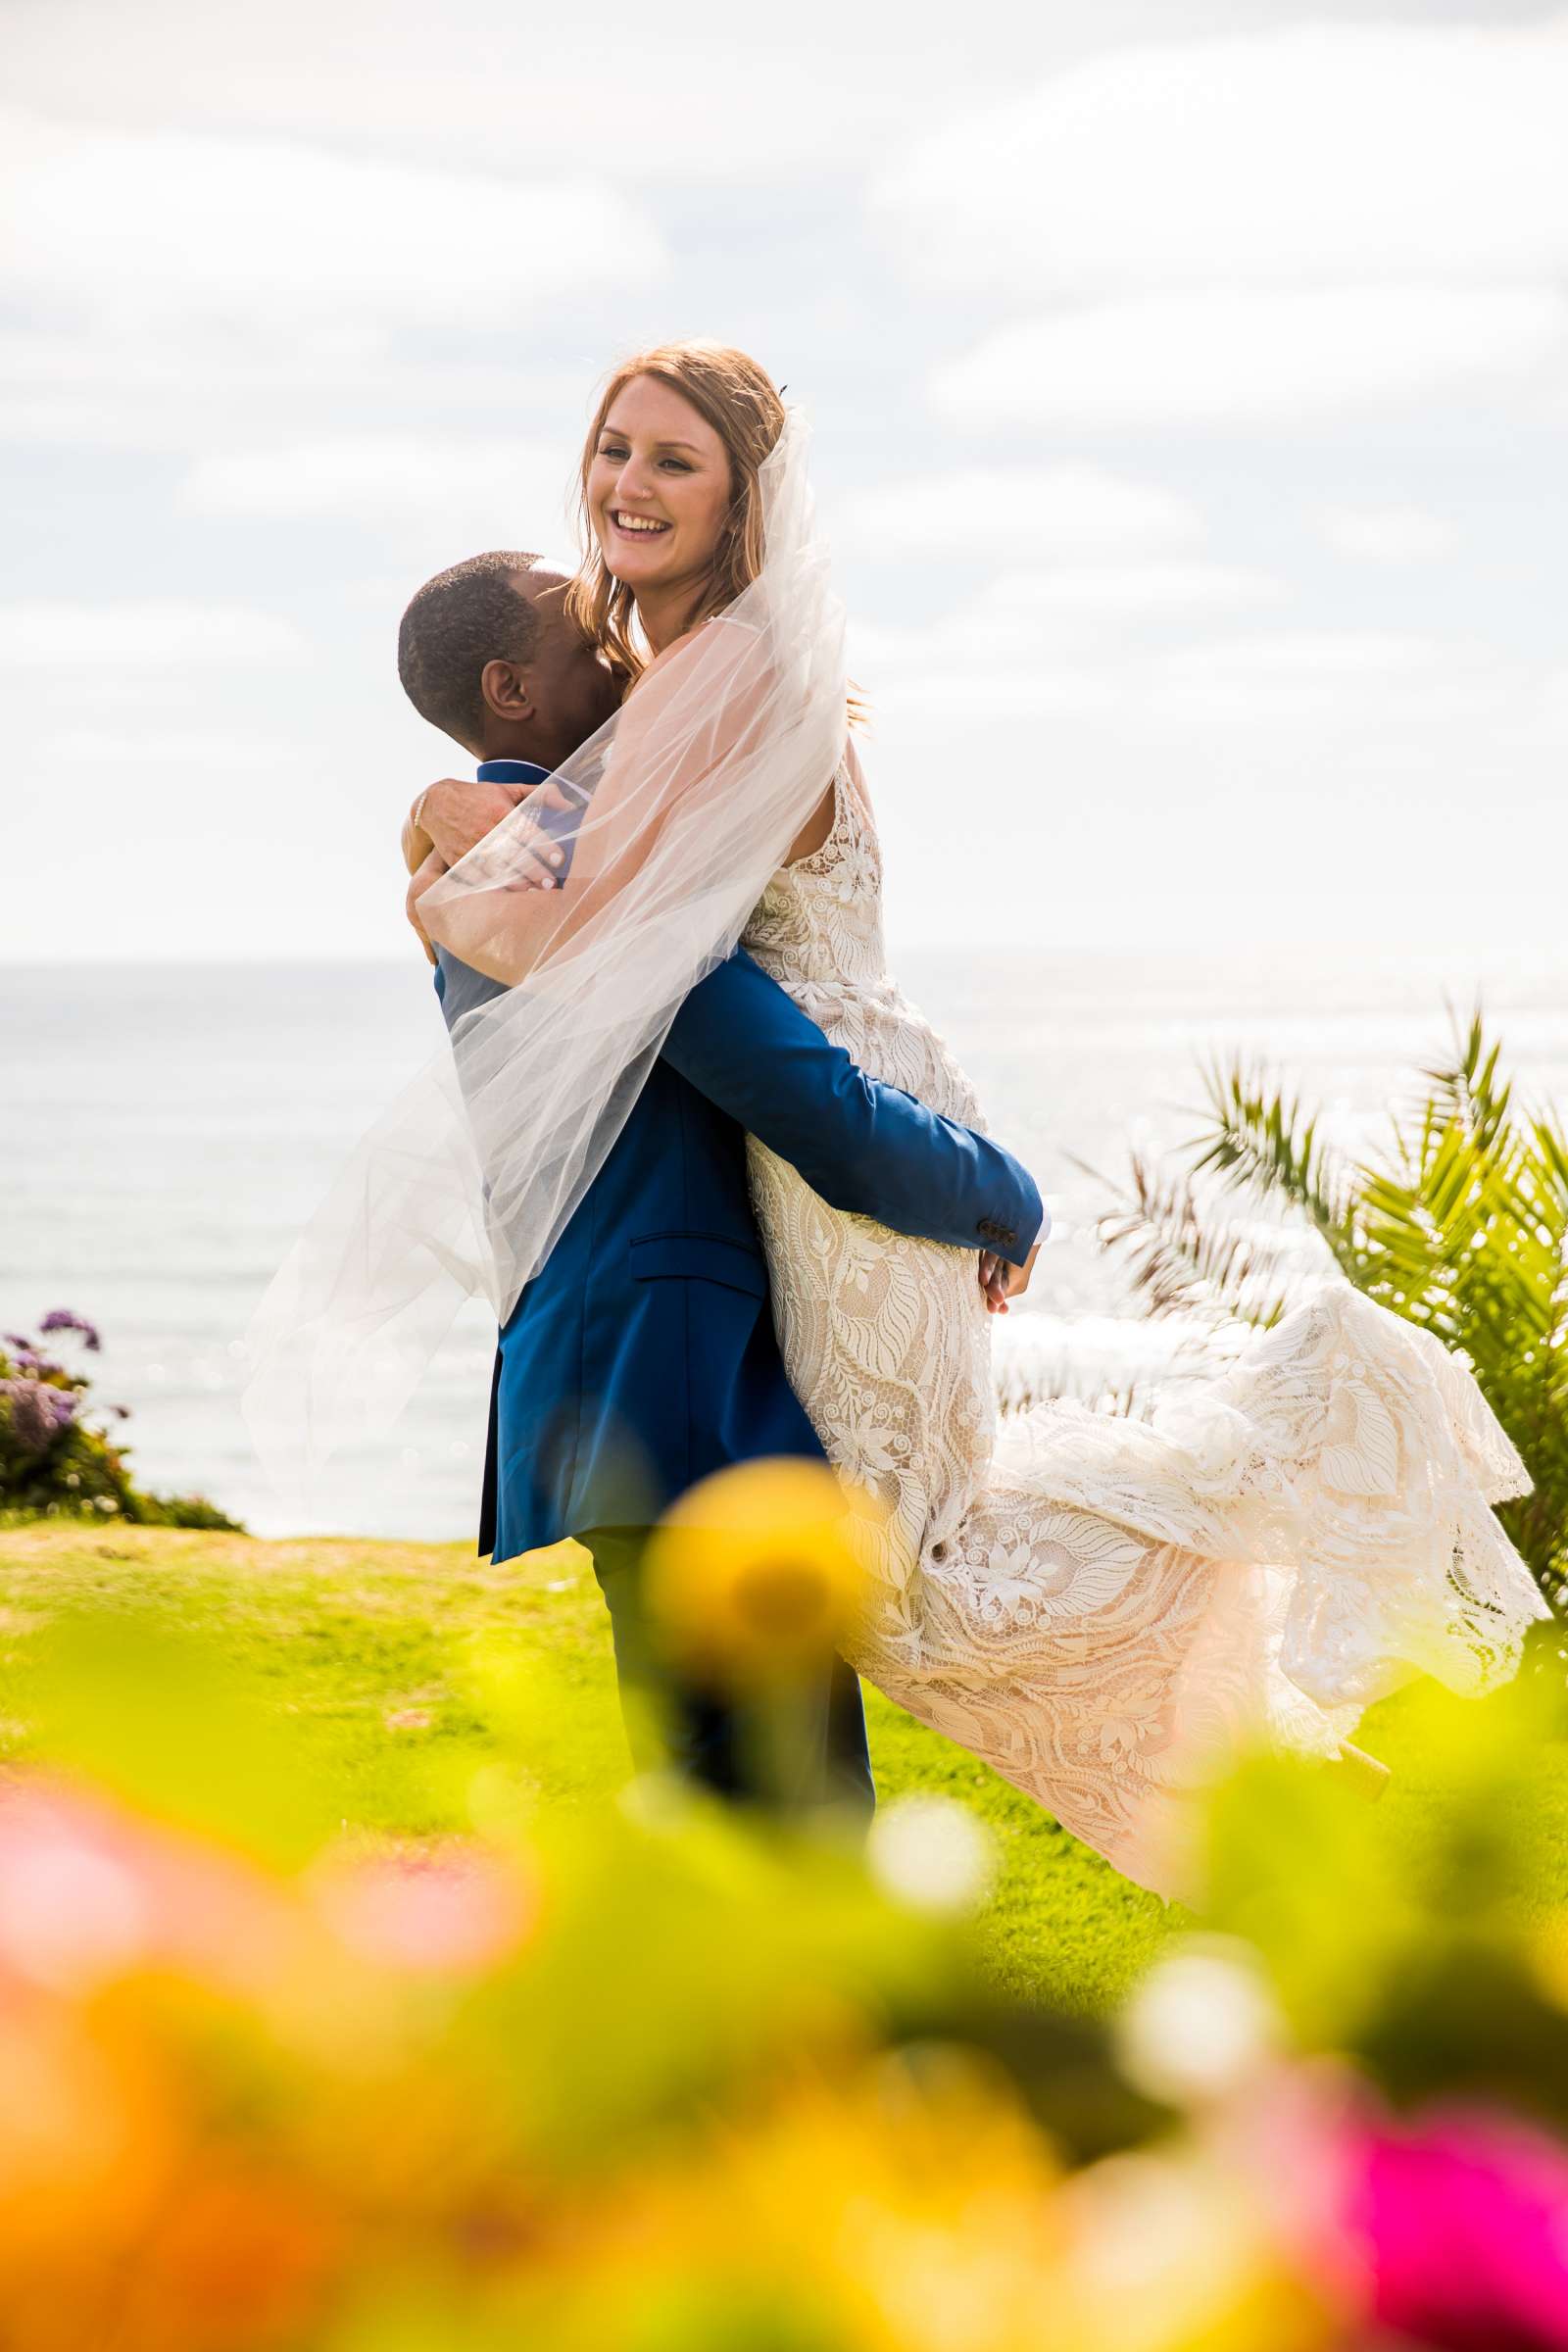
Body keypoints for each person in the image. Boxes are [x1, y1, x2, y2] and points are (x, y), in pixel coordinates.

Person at [408, 341, 1548, 1902]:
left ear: (747, 495)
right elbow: (656, 973)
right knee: (912, 1590)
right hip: (786, 1203)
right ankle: (1270, 1694)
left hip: (838, 1170)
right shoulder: (655, 718)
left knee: (907, 1586)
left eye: (674, 458)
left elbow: (654, 972)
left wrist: (450, 874)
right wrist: (469, 851)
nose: (629, 484)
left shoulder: (714, 682)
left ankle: (1300, 1492)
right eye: (615, 448)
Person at [395, 546, 1045, 1820]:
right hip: (672, 1371)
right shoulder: (553, 863)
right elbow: (809, 1101)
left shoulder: (510, 843)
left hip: (626, 1365)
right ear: (511, 691)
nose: (621, 630)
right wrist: (1005, 1193)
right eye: (582, 624)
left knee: (729, 1800)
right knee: (789, 1812)